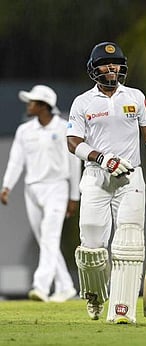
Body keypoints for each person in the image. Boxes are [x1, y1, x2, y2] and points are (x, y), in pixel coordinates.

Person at [66, 42, 146, 324]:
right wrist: (102, 158)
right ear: (94, 68)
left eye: (116, 63)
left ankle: (122, 310)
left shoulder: (136, 97)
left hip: (131, 178)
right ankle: (94, 295)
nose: (112, 68)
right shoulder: (83, 102)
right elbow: (73, 142)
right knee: (92, 247)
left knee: (128, 244)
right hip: (96, 177)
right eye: (106, 64)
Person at [1, 84, 81, 303]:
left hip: (57, 187)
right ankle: (65, 286)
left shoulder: (65, 128)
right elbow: (16, 161)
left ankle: (41, 286)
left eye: (32, 102)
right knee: (45, 240)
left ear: (44, 106)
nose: (28, 105)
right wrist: (6, 186)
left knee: (49, 236)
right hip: (32, 190)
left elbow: (74, 164)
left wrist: (74, 196)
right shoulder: (24, 131)